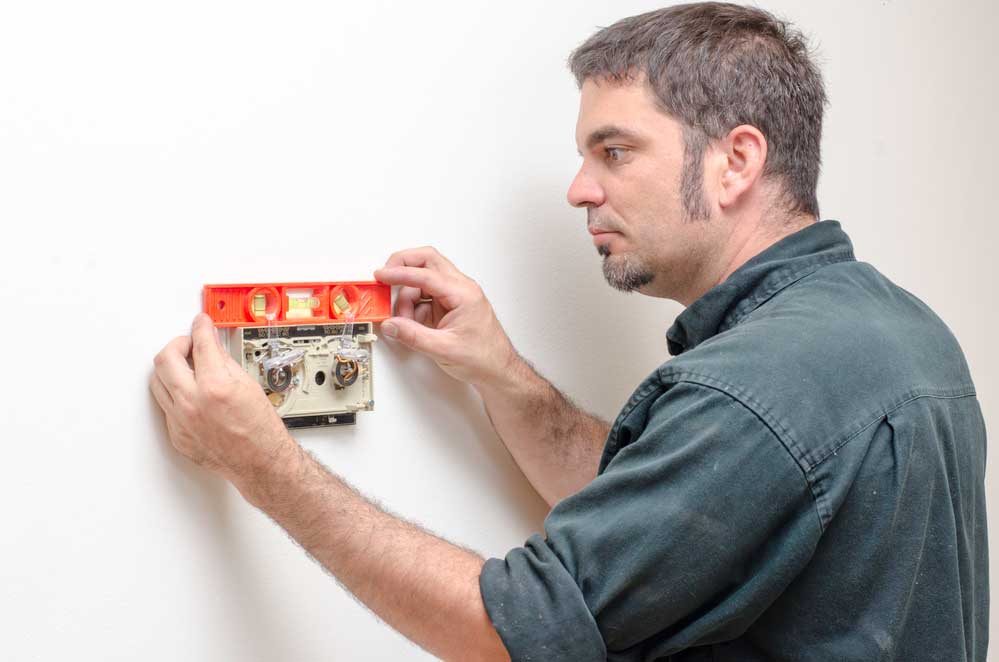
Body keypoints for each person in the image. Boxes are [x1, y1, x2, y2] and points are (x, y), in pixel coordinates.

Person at [150, 3, 988, 660]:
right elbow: (677, 508)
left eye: (614, 151)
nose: (579, 189)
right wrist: (500, 373)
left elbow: (513, 630)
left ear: (736, 161)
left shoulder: (756, 388)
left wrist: (260, 463)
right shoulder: (891, 326)